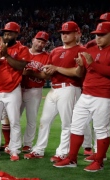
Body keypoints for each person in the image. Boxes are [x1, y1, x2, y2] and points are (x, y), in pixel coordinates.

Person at [54, 21, 110, 172]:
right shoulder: (91, 49)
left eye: (102, 35)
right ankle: (71, 158)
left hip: (105, 94)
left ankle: (99, 162)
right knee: (76, 126)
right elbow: (85, 71)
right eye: (96, 35)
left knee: (101, 129)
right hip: (86, 93)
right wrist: (82, 64)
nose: (98, 38)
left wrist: (91, 64)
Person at [25, 22, 86, 162]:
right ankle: (39, 149)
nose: (64, 35)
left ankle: (62, 152)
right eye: (63, 33)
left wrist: (56, 68)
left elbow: (78, 73)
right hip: (54, 88)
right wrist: (47, 70)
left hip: (69, 88)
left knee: (67, 123)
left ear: (77, 34)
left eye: (68, 32)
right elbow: (49, 72)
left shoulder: (81, 50)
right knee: (44, 120)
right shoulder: (55, 51)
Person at [84, 12, 110, 166]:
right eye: (101, 21)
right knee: (98, 119)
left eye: (106, 22)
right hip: (98, 85)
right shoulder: (93, 42)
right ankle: (98, 153)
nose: (103, 23)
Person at [0, 22, 30, 161]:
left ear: (16, 34)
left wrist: (8, 56)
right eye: (5, 33)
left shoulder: (22, 49)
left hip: (13, 90)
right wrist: (0, 55)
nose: (7, 35)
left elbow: (21, 66)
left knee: (14, 121)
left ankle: (14, 150)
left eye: (10, 33)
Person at [20, 32, 50, 153]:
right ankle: (13, 143)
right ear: (33, 40)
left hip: (35, 90)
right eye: (38, 40)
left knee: (31, 119)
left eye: (43, 42)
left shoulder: (46, 56)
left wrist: (30, 73)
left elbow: (45, 76)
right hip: (18, 89)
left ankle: (27, 144)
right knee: (13, 118)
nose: (40, 43)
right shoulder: (23, 51)